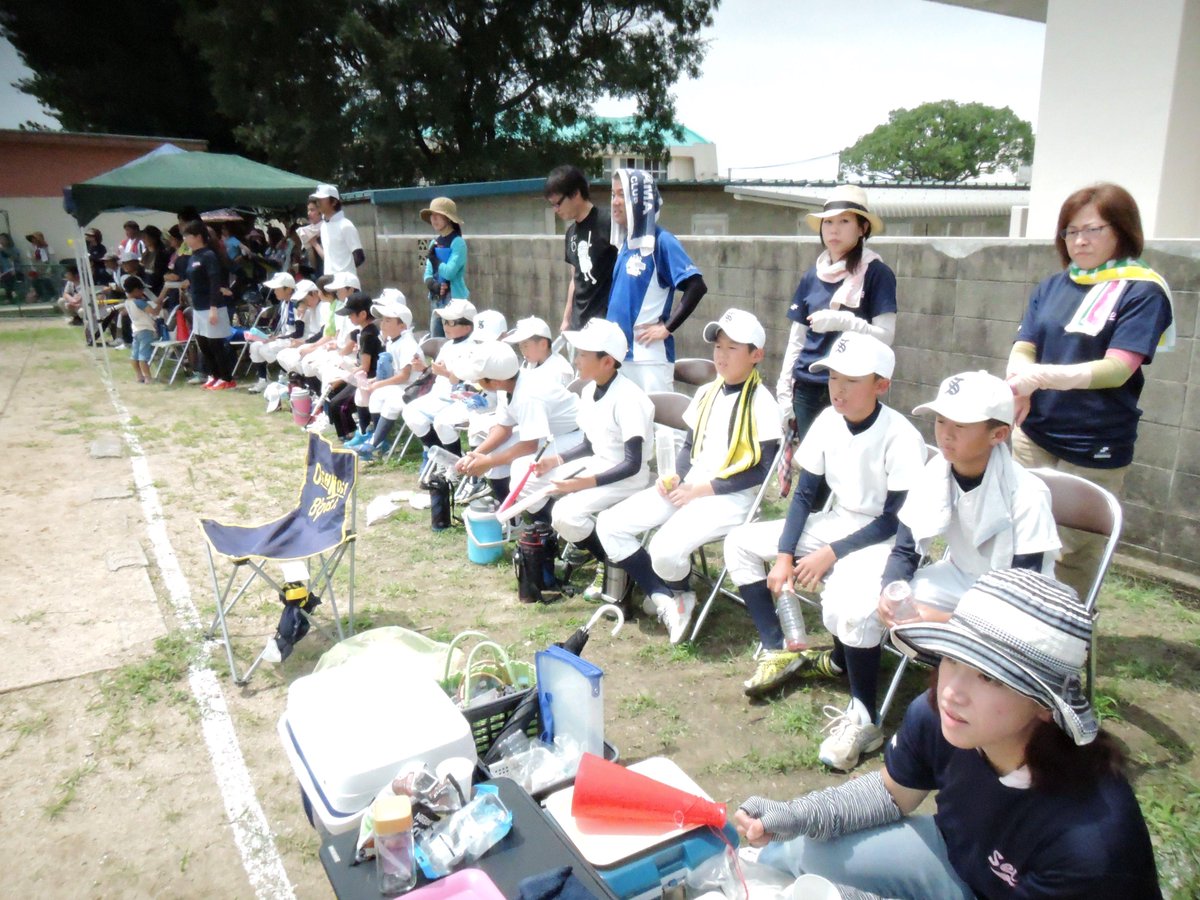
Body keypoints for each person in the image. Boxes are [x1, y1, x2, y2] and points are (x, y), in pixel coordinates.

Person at [736, 568, 1162, 900]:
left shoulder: (1089, 844)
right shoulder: (942, 717)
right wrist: (795, 815)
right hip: (960, 865)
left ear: (1045, 706)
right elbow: (890, 794)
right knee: (806, 852)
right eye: (952, 660)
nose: (953, 691)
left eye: (989, 677)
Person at [723, 334, 927, 770]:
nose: (838, 388)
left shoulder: (901, 436)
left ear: (881, 385)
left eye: (852, 380)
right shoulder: (829, 421)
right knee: (739, 543)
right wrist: (783, 555)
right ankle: (780, 650)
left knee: (848, 606)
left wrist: (830, 554)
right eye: (833, 376)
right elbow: (803, 496)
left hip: (883, 539)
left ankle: (864, 715)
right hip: (838, 522)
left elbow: (894, 520)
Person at [1006, 183, 1174, 600]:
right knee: (1018, 532)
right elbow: (1024, 344)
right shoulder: (1054, 286)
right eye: (1070, 231)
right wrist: (1020, 382)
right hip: (1034, 431)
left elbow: (1117, 369)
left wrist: (1038, 378)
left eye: (1093, 229)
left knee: (1071, 552)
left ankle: (1059, 637)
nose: (1080, 240)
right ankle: (1008, 622)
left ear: (1121, 231)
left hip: (1093, 442)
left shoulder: (1142, 290)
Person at [596, 309, 781, 643]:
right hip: (691, 485)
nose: (721, 356)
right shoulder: (708, 391)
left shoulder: (763, 403)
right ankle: (666, 595)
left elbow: (764, 470)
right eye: (719, 347)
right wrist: (675, 477)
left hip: (730, 496)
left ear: (756, 355)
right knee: (609, 524)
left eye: (732, 348)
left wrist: (702, 489)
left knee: (664, 550)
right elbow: (691, 444)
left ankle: (679, 589)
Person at [877, 371, 1060, 629]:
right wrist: (889, 591)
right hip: (960, 576)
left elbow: (1023, 592)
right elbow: (906, 550)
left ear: (998, 434)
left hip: (1017, 595)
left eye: (960, 425)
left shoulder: (1028, 493)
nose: (946, 434)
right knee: (893, 600)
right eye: (941, 421)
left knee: (994, 627)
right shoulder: (934, 470)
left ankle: (950, 658)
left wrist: (942, 619)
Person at [534, 318, 655, 601]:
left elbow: (632, 464)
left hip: (627, 478)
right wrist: (555, 461)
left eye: (584, 355)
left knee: (566, 514)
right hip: (600, 465)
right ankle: (610, 560)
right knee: (552, 496)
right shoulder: (589, 391)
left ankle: (615, 564)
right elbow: (589, 444)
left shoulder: (629, 399)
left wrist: (582, 483)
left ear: (607, 362)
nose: (577, 360)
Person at [777, 185, 897, 441]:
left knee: (846, 466)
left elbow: (886, 336)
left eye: (844, 221)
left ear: (862, 228)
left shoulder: (877, 273)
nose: (833, 228)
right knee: (812, 464)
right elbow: (797, 339)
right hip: (807, 385)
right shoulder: (812, 275)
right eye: (828, 222)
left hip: (853, 386)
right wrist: (784, 389)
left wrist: (845, 322)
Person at [606, 168, 707, 393]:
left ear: (640, 200)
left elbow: (696, 286)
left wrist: (666, 327)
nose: (615, 202)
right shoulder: (626, 244)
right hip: (620, 356)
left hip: (648, 358)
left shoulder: (661, 242)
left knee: (661, 426)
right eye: (613, 194)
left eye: (622, 194)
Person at [454, 340, 582, 510]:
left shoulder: (528, 395)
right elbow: (503, 428)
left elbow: (530, 446)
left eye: (479, 379)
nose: (477, 382)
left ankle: (543, 523)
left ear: (495, 381)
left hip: (579, 435)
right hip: (552, 434)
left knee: (524, 471)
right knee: (497, 458)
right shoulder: (507, 384)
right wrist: (476, 455)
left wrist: (489, 461)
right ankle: (512, 516)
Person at [400, 299, 483, 455]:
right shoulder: (447, 345)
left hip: (459, 399)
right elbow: (438, 372)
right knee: (411, 413)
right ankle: (440, 456)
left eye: (451, 323)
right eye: (444, 321)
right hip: (438, 396)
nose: (445, 326)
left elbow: (472, 381)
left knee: (441, 423)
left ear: (468, 326)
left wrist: (444, 372)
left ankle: (456, 461)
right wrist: (425, 368)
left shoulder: (474, 347)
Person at [545, 165, 616, 332]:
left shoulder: (608, 222)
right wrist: (566, 319)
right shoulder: (571, 233)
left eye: (558, 203)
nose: (556, 210)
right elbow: (575, 279)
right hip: (578, 325)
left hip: (605, 325)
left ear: (576, 193)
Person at [353, 293, 424, 461]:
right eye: (383, 320)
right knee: (377, 396)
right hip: (401, 385)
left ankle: (374, 443)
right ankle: (378, 441)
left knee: (391, 401)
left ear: (403, 326)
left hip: (414, 387)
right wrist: (375, 381)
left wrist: (379, 384)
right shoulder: (392, 341)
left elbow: (404, 376)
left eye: (388, 321)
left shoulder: (408, 343)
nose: (382, 324)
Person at [182, 220, 237, 390]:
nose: (185, 239)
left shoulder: (209, 256)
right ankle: (213, 375)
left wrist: (214, 308)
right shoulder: (193, 256)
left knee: (215, 344)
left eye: (188, 236)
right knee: (203, 344)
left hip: (211, 306)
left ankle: (226, 378)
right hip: (198, 306)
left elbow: (214, 281)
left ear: (198, 236)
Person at [421, 197, 469, 338]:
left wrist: (435, 260)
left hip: (454, 300)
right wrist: (433, 285)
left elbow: (449, 273)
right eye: (432, 216)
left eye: (438, 215)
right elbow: (427, 273)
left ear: (448, 218)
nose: (434, 219)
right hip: (436, 299)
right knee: (436, 339)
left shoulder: (458, 243)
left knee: (455, 341)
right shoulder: (433, 243)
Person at [311, 184, 365, 278]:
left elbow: (359, 257)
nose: (317, 203)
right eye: (316, 200)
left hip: (345, 285)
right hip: (329, 282)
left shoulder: (345, 225)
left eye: (321, 199)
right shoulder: (324, 226)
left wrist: (344, 276)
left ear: (334, 202)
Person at [503, 316, 574, 386]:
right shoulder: (529, 363)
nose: (523, 351)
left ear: (543, 344)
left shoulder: (560, 371)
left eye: (525, 346)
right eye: (520, 347)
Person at [122, 276, 162, 383]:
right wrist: (160, 304)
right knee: (143, 355)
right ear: (136, 290)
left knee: (135, 354)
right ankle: (148, 377)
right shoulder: (139, 302)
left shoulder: (127, 302)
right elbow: (154, 312)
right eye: (141, 290)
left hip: (136, 330)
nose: (142, 293)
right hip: (146, 330)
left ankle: (139, 376)